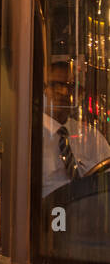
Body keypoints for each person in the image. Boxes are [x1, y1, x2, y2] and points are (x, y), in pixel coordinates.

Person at [40, 61, 110, 201]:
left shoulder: (90, 135)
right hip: (45, 216)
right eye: (56, 85)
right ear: (43, 89)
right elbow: (5, 193)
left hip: (88, 213)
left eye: (71, 86)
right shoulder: (25, 133)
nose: (64, 92)